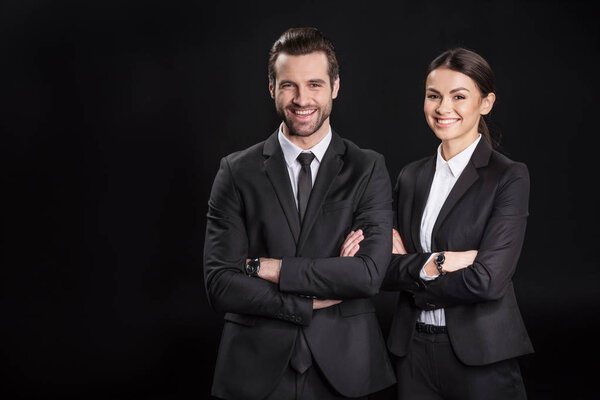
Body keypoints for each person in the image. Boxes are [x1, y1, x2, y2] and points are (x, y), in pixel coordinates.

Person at [203, 27, 395, 400]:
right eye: (289, 85)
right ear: (272, 88)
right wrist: (307, 301)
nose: (302, 99)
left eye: (315, 84)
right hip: (253, 369)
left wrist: (265, 267)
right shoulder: (235, 170)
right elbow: (220, 283)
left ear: (335, 87)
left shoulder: (368, 167)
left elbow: (369, 275)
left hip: (349, 367)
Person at [346, 48, 533, 399]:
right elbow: (382, 270)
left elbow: (488, 281)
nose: (443, 108)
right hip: (412, 351)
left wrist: (412, 274)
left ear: (486, 103)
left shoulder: (508, 177)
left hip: (481, 356)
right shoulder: (411, 176)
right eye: (434, 96)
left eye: (459, 96)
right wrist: (441, 262)